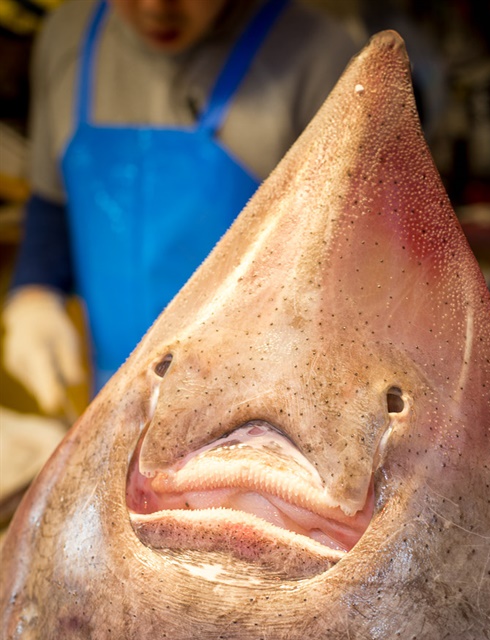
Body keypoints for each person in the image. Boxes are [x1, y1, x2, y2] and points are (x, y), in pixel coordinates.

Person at [2, 0, 360, 411]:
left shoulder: (321, 56)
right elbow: (54, 199)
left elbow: (356, 270)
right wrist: (34, 291)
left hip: (255, 411)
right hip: (115, 396)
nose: (155, 8)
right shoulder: (65, 34)